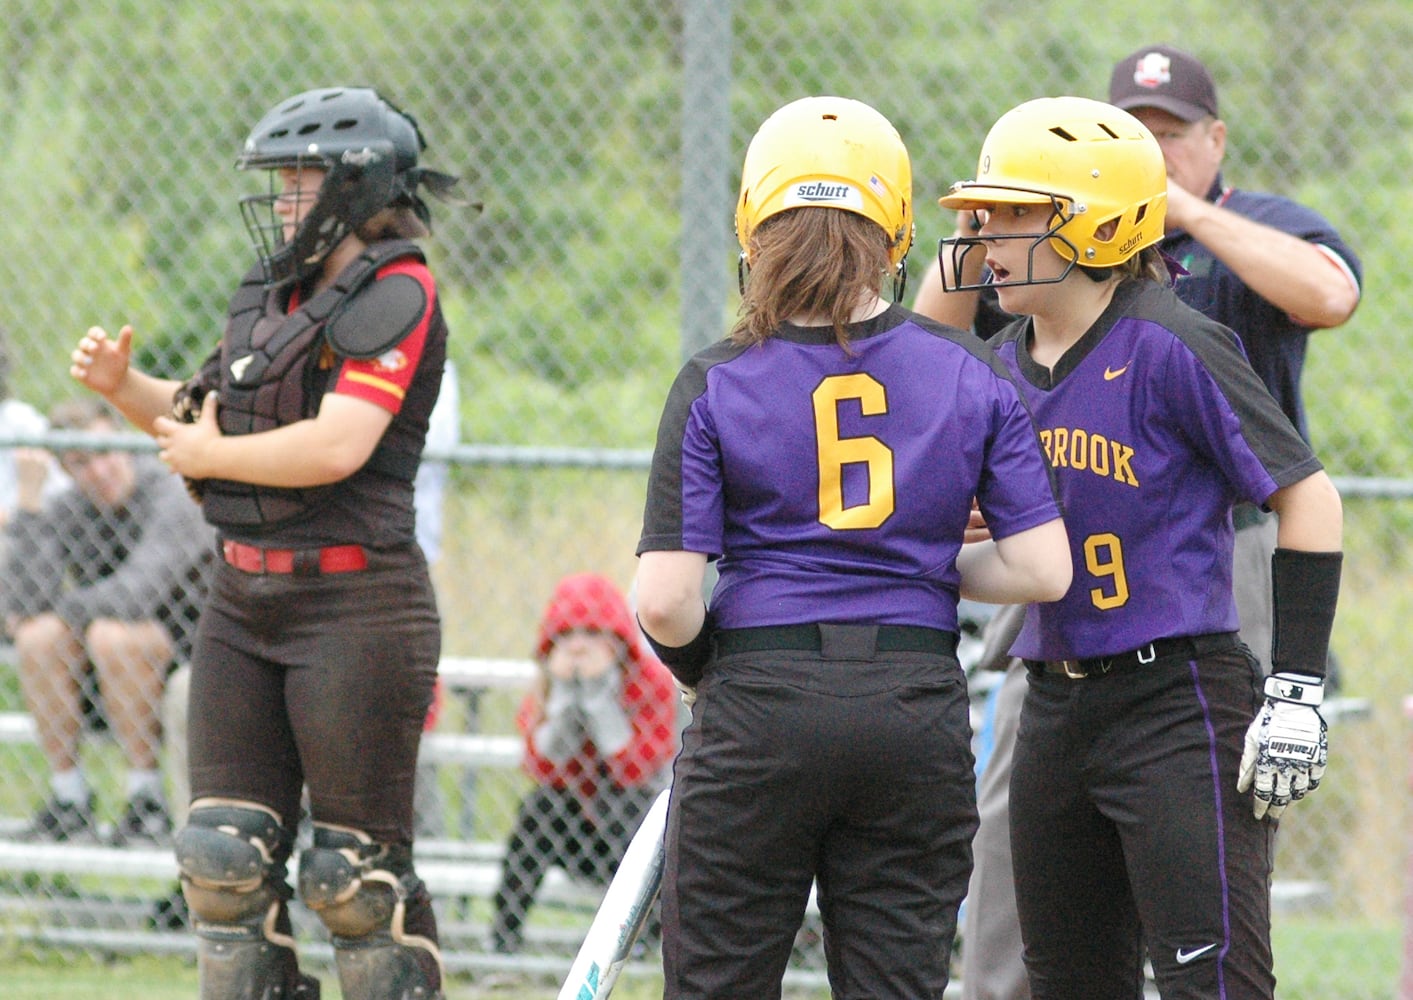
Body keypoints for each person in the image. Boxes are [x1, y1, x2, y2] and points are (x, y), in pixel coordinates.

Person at [915, 46, 1364, 1000]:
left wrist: (1294, 687)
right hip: (1053, 707)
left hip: (1176, 703)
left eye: (1009, 216)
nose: (983, 239)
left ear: (1086, 223)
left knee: (1214, 981)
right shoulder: (1001, 366)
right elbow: (920, 351)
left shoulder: (1170, 339)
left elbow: (1307, 496)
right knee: (1067, 981)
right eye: (979, 218)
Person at [634, 95, 1072, 1000]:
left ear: (753, 224)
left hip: (760, 695)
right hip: (910, 705)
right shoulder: (968, 370)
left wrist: (702, 668)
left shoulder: (716, 377)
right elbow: (1042, 569)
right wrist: (915, 565)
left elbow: (665, 599)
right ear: (897, 230)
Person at [69, 85, 468, 999]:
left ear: (358, 186)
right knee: (222, 863)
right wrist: (126, 387)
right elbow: (202, 417)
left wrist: (213, 451)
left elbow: (339, 444)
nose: (284, 200)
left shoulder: (399, 291)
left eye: (300, 180)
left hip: (355, 609)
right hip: (241, 602)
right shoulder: (274, 294)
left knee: (352, 879)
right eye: (281, 181)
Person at [3, 397, 212, 844]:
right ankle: (69, 798)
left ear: (124, 444)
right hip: (102, 677)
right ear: (65, 469)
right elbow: (23, 603)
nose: (98, 471)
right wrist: (29, 503)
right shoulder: (68, 507)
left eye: (104, 453)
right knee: (40, 638)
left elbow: (138, 592)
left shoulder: (172, 493)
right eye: (80, 463)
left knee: (114, 634)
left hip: (186, 662)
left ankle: (146, 799)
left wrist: (61, 611)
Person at [488, 571, 678, 955]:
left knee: (626, 806)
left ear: (617, 641)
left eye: (592, 636)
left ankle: (643, 936)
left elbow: (634, 771)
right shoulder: (547, 686)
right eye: (567, 636)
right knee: (538, 808)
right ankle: (503, 938)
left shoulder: (651, 681)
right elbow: (542, 767)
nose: (578, 648)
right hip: (574, 833)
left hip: (628, 833)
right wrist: (562, 703)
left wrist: (597, 699)